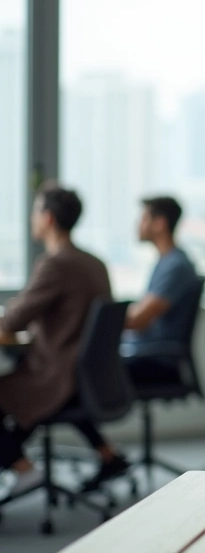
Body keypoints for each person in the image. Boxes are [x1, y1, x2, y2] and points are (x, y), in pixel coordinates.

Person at [75, 196, 201, 492]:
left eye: (143, 218)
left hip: (158, 360)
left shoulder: (175, 266)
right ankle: (106, 454)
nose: (137, 224)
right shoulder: (166, 263)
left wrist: (90, 320)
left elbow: (138, 320)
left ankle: (105, 455)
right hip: (145, 353)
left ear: (159, 223)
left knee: (77, 376)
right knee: (74, 372)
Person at [0, 185, 111, 498]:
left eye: (35, 211)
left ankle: (23, 468)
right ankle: (17, 461)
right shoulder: (94, 261)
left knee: (9, 390)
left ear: (47, 218)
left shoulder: (55, 264)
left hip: (57, 376)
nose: (31, 218)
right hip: (86, 375)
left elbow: (12, 320)